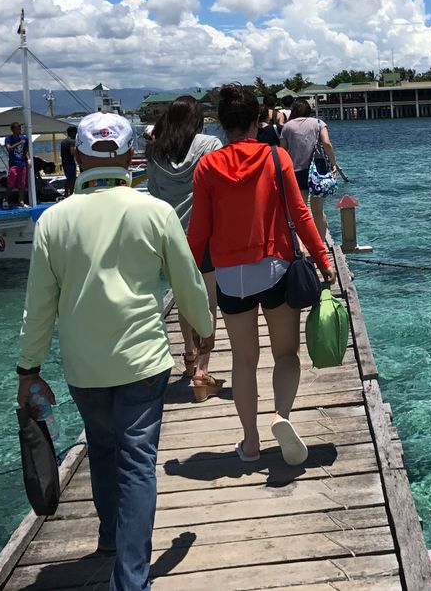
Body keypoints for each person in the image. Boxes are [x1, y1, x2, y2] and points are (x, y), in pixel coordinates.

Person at [17, 112, 214, 591]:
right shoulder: (155, 212)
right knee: (137, 463)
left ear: (78, 155)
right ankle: (130, 579)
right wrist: (205, 328)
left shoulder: (52, 221)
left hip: (84, 368)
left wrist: (29, 369)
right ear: (129, 157)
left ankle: (110, 536)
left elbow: (38, 307)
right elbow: (187, 281)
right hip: (143, 361)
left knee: (103, 448)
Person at [188, 84, 335, 464]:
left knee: (243, 361)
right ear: (258, 120)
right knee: (285, 354)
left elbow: (199, 231)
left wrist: (186, 277)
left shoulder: (207, 167)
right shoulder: (275, 157)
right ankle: (280, 417)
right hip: (274, 269)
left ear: (222, 124)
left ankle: (250, 442)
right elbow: (301, 213)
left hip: (230, 278)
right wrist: (323, 259)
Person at [145, 95, 224, 401]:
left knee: (182, 299)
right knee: (208, 301)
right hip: (204, 235)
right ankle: (203, 369)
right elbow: (219, 188)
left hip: (170, 236)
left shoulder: (156, 151)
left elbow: (153, 193)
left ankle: (189, 354)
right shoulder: (210, 145)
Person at [279, 99, 340, 239]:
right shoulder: (318, 123)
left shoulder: (287, 126)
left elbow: (282, 151)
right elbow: (327, 143)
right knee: (318, 211)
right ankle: (320, 243)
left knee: (301, 211)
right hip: (318, 168)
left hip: (296, 170)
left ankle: (303, 243)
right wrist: (333, 163)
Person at [3, 122, 29, 208]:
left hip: (22, 163)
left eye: (20, 128)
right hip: (13, 164)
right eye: (18, 129)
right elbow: (8, 149)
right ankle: (6, 199)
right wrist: (19, 143)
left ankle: (21, 200)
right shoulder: (8, 139)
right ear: (13, 130)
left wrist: (28, 159)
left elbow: (26, 150)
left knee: (22, 183)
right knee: (11, 182)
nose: (19, 130)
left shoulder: (24, 138)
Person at [60, 126, 78, 195]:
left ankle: (66, 193)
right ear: (73, 133)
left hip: (64, 163)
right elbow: (72, 152)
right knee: (72, 179)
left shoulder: (63, 142)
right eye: (76, 133)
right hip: (70, 163)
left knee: (69, 179)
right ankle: (71, 193)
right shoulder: (72, 141)